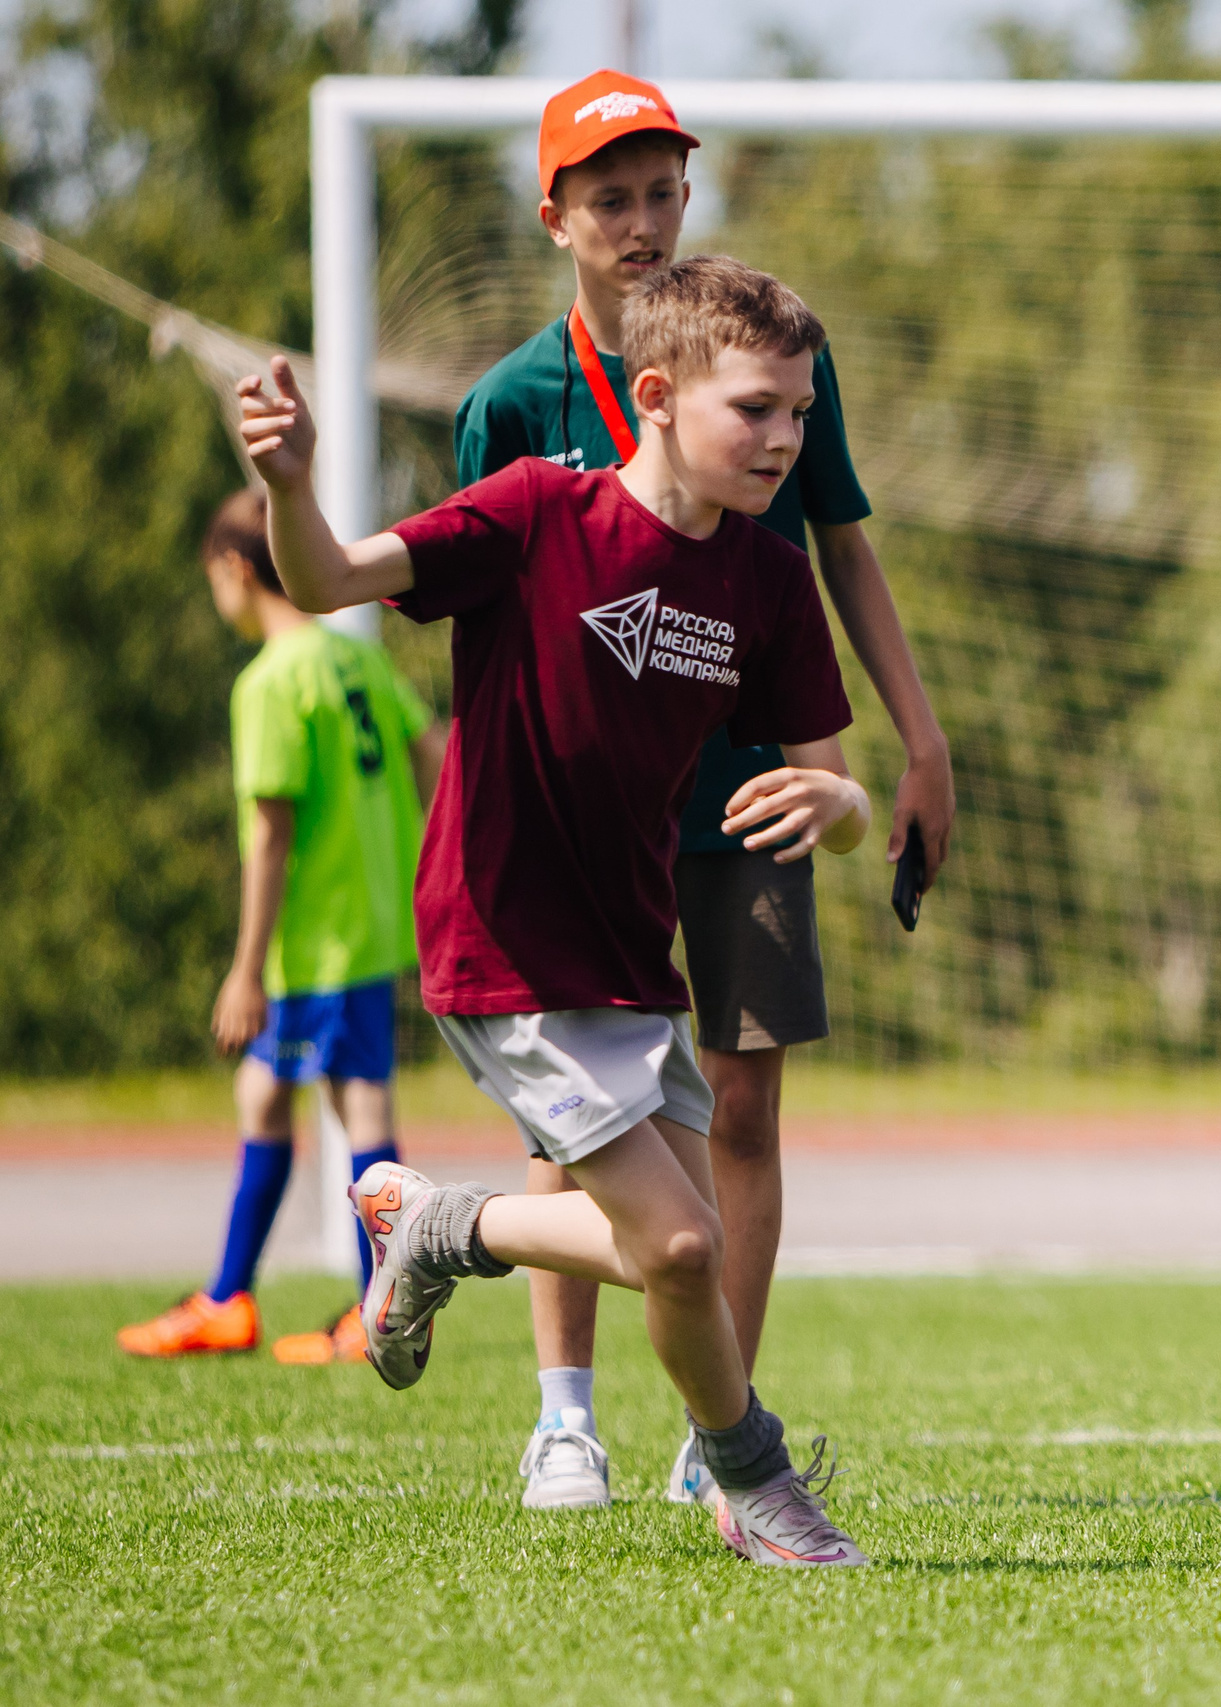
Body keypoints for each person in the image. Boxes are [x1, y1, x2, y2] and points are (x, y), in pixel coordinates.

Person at [238, 255, 875, 1568]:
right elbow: (328, 580)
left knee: (679, 1263)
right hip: (501, 935)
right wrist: (289, 489)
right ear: (657, 394)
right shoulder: (537, 512)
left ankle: (439, 1223)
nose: (784, 440)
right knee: (684, 1236)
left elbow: (837, 779)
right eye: (756, 409)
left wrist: (838, 809)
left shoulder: (763, 579)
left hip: (630, 958)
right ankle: (756, 1486)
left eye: (800, 414)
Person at [449, 68, 955, 1513]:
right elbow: (480, 623)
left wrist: (915, 743)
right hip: (577, 819)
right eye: (610, 196)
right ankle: (564, 1418)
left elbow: (841, 546)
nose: (643, 219)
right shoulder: (511, 404)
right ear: (556, 216)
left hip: (749, 794)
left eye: (664, 189)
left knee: (745, 1101)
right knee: (575, 1121)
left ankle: (715, 1424)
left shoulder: (781, 359)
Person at [118, 488, 440, 1363]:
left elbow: (270, 835)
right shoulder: (353, 659)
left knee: (345, 1102)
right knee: (290, 1096)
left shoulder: (271, 680)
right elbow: (434, 756)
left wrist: (245, 968)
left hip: (316, 938)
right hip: (372, 920)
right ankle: (254, 1298)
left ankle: (356, 1306)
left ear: (232, 568)